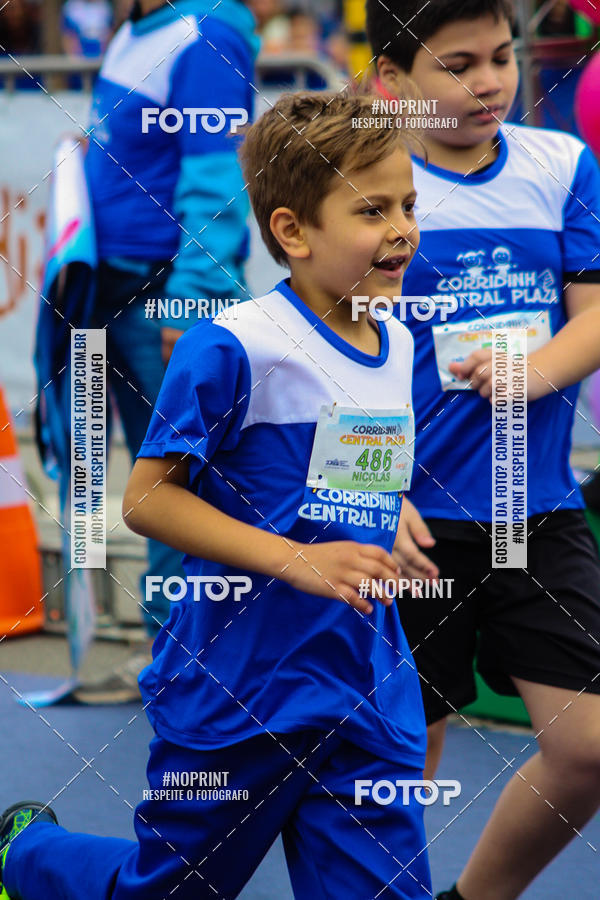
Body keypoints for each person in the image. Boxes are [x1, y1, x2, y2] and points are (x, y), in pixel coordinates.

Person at [0, 89, 433, 899]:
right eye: (372, 211)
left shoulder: (402, 340)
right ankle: (25, 855)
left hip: (363, 693)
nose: (403, 228)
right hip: (240, 694)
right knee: (164, 891)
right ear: (292, 232)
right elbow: (147, 501)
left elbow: (341, 472)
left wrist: (390, 506)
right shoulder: (231, 347)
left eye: (409, 204)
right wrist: (297, 558)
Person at [365, 1, 600, 898]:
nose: (492, 81)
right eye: (458, 65)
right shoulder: (366, 182)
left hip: (537, 513)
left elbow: (596, 313)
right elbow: (328, 352)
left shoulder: (563, 164)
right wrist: (375, 494)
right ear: (394, 83)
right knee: (398, 767)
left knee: (585, 753)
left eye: (501, 57)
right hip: (411, 525)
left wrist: (534, 370)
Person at [73, 0, 259, 703]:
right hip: (113, 285)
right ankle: (169, 661)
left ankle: (197, 670)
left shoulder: (206, 31)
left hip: (165, 295)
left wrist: (195, 301)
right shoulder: (132, 28)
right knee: (153, 488)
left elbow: (217, 181)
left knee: (183, 488)